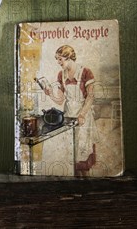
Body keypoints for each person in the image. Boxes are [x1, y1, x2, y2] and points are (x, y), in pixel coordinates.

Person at [44, 45, 99, 176]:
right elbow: (60, 100)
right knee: (71, 153)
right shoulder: (61, 75)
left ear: (68, 57)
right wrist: (50, 94)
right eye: (57, 60)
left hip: (83, 117)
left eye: (60, 59)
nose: (58, 62)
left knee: (82, 153)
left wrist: (82, 114)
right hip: (69, 117)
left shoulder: (85, 72)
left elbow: (90, 97)